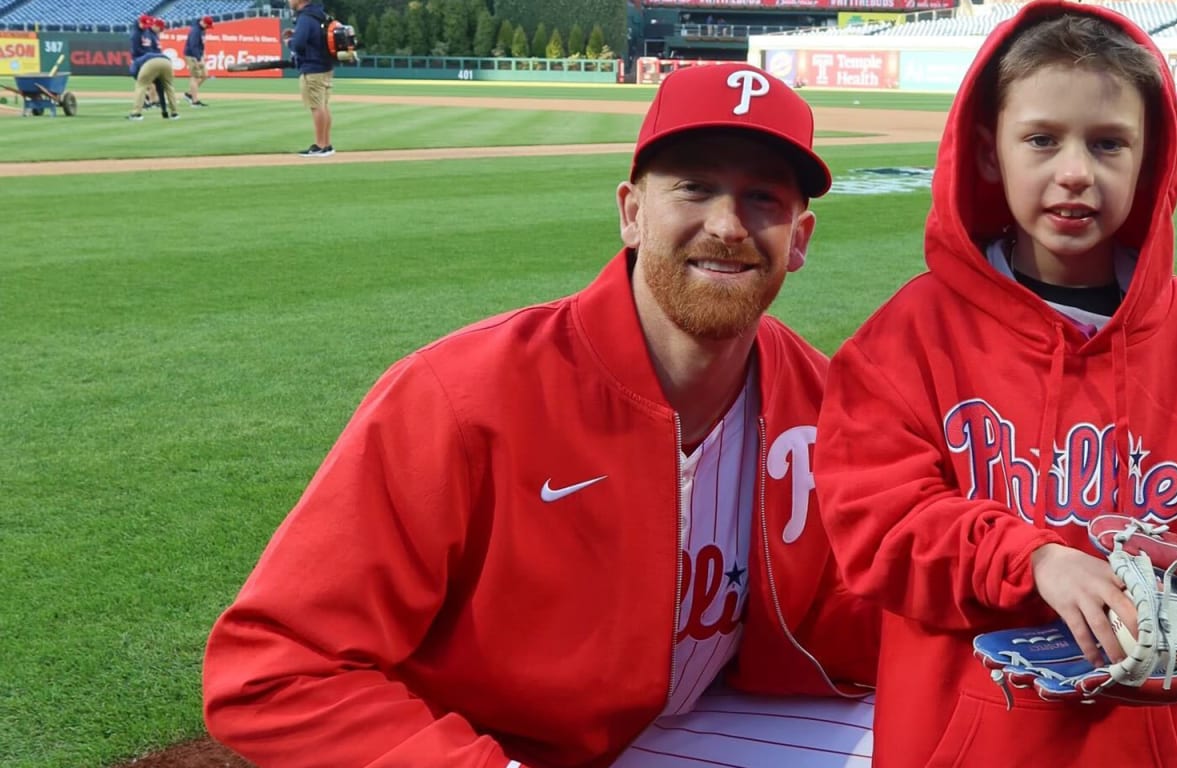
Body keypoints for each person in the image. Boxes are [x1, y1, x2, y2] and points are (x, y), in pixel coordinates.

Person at [202, 62, 878, 768]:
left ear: (799, 240)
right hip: (487, 751)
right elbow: (271, 669)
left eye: (762, 198)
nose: (727, 225)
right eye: (695, 187)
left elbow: (843, 607)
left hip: (701, 719)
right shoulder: (462, 396)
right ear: (631, 213)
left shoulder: (817, 395)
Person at [813, 2, 1177, 766]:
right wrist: (1032, 559)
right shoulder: (910, 335)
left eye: (1107, 144)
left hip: (1140, 742)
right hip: (963, 737)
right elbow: (876, 522)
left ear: (1149, 160)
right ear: (990, 154)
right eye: (1041, 139)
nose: (1074, 173)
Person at [287, 0, 335, 156]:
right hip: (325, 66)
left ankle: (320, 146)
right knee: (323, 105)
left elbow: (299, 45)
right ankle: (326, 144)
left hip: (312, 68)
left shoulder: (305, 16)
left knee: (317, 107)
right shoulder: (320, 14)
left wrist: (289, 42)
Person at [184, 16, 212, 107]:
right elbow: (193, 46)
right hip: (192, 55)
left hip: (198, 55)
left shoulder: (202, 30)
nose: (208, 27)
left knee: (205, 75)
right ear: (203, 22)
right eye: (207, 25)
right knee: (195, 77)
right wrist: (198, 59)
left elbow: (201, 44)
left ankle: (189, 94)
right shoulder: (195, 30)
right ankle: (194, 101)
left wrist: (203, 54)